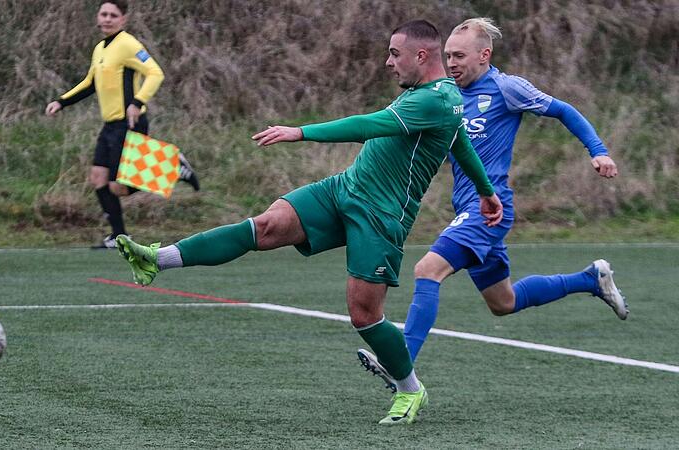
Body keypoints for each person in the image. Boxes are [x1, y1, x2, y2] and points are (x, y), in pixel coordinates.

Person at [116, 19, 503, 425]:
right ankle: (158, 260)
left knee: (364, 314)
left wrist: (299, 132)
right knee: (265, 226)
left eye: (394, 53)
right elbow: (459, 140)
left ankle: (410, 389)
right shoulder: (438, 96)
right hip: (344, 189)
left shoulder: (435, 100)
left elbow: (367, 125)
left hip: (381, 216)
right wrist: (485, 191)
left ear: (420, 56)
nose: (388, 62)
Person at [357, 17, 629, 414]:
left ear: (484, 56)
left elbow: (565, 111)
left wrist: (598, 150)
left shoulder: (506, 88)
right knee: (504, 302)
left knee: (427, 270)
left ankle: (401, 363)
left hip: (489, 210)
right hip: (469, 210)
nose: (451, 62)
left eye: (459, 55)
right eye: (447, 55)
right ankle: (590, 279)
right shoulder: (444, 95)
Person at [45, 0, 200, 249]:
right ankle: (119, 237)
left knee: (118, 187)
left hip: (129, 124)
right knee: (98, 178)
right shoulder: (100, 49)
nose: (107, 19)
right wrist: (61, 102)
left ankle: (172, 166)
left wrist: (138, 102)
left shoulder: (128, 44)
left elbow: (155, 72)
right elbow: (90, 82)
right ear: (98, 17)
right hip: (110, 126)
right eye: (104, 14)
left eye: (113, 15)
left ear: (123, 19)